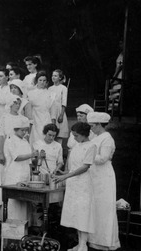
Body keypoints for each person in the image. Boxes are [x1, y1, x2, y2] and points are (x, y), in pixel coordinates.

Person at [53, 122, 97, 251]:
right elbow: (74, 167)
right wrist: (63, 173)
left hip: (83, 184)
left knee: (83, 214)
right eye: (73, 135)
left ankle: (83, 245)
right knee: (76, 214)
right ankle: (79, 244)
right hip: (73, 184)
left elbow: (85, 167)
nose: (74, 138)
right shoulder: (77, 146)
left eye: (76, 135)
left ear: (84, 134)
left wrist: (65, 176)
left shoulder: (92, 146)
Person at [87, 112, 120, 250]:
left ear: (99, 124)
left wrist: (86, 154)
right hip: (95, 175)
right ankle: (94, 240)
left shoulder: (107, 138)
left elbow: (103, 158)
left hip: (104, 176)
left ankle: (105, 241)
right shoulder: (96, 137)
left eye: (92, 126)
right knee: (95, 207)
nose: (91, 128)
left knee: (104, 208)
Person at [3, 116, 34, 220]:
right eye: (22, 130)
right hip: (14, 173)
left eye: (26, 130)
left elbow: (29, 161)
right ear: (15, 129)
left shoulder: (25, 141)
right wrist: (32, 154)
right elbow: (16, 157)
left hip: (24, 173)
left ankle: (23, 231)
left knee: (23, 204)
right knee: (13, 204)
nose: (24, 132)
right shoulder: (10, 140)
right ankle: (11, 231)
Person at [28, 71, 57, 146]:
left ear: (47, 82)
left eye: (44, 80)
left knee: (45, 137)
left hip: (46, 118)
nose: (42, 82)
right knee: (35, 138)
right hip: (35, 119)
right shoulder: (30, 93)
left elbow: (53, 111)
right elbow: (28, 109)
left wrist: (53, 123)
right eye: (40, 80)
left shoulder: (51, 94)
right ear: (36, 80)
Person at [0, 95, 29, 167]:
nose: (17, 106)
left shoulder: (24, 119)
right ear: (11, 104)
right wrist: (1, 153)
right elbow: (1, 136)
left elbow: (26, 137)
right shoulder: (4, 117)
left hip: (20, 146)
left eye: (19, 104)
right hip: (7, 146)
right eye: (15, 103)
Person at [49, 69, 69, 143]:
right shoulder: (50, 88)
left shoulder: (63, 88)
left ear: (60, 78)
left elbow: (64, 102)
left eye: (55, 76)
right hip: (51, 112)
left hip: (60, 111)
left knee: (59, 135)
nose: (53, 77)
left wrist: (61, 115)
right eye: (52, 75)